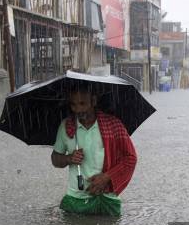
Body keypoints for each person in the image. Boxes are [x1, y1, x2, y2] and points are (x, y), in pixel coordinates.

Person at [51, 86, 137, 216]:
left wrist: (107, 177)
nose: (78, 109)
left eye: (82, 103)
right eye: (73, 105)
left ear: (94, 101)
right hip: (76, 199)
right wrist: (69, 159)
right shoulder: (66, 127)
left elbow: (130, 158)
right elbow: (55, 159)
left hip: (108, 199)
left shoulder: (114, 125)